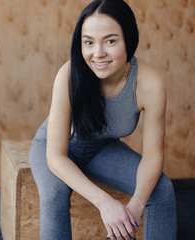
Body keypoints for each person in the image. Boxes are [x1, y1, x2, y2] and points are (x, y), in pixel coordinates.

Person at [29, 0, 177, 239]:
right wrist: (105, 203)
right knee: (54, 193)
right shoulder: (68, 75)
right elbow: (56, 156)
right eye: (88, 42)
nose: (98, 53)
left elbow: (153, 156)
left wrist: (135, 208)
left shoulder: (150, 84)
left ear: (128, 39)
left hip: (102, 150)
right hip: (56, 149)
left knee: (162, 190)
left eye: (110, 41)